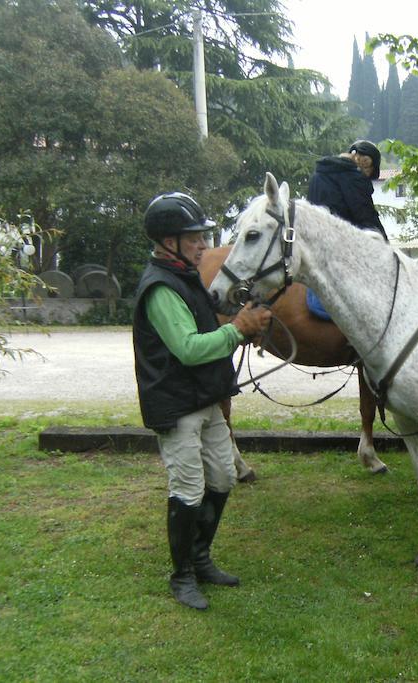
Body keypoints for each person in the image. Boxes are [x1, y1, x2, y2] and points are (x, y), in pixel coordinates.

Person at [132, 191, 272, 610]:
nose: (203, 246)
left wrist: (242, 323)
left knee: (224, 478)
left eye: (202, 237)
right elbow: (189, 349)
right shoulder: (160, 288)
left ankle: (201, 558)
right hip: (176, 405)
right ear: (167, 241)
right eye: (193, 238)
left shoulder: (185, 274)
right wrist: (238, 328)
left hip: (205, 399)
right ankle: (182, 576)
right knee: (189, 489)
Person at [307, 139, 387, 240]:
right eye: (367, 166)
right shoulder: (354, 178)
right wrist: (386, 245)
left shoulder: (318, 175)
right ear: (357, 158)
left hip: (315, 240)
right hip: (343, 243)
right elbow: (367, 217)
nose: (366, 173)